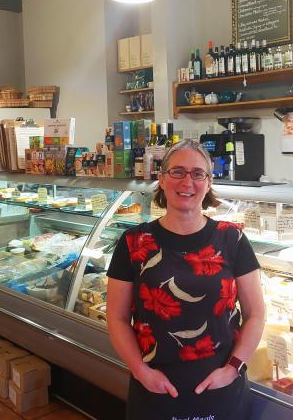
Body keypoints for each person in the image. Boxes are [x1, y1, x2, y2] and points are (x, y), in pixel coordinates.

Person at [107, 139, 265, 420]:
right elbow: (117, 318)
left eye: (198, 173)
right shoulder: (133, 242)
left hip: (222, 388)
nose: (187, 182)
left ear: (208, 182)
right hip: (154, 389)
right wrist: (141, 372)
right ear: (162, 179)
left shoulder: (233, 238)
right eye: (177, 171)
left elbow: (256, 314)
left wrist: (233, 369)